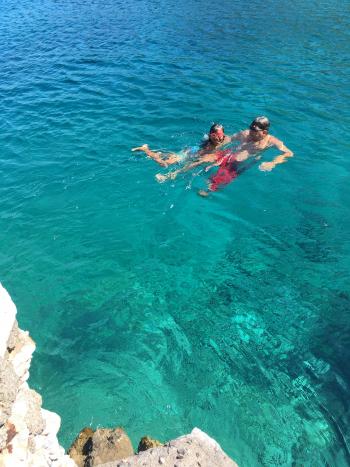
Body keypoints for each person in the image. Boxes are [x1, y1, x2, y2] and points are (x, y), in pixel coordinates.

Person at [156, 116, 293, 195]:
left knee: (216, 181)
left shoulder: (271, 141)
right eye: (251, 128)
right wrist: (213, 142)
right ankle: (173, 174)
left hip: (237, 164)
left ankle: (208, 190)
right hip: (227, 154)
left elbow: (289, 153)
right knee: (200, 160)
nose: (251, 132)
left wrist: (273, 163)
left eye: (255, 130)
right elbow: (230, 139)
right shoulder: (246, 134)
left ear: (264, 131)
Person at [131, 123, 231, 168]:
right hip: (189, 152)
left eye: (221, 135)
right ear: (210, 135)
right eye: (215, 136)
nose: (218, 138)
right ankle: (145, 149)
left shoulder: (224, 139)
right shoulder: (209, 144)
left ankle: (155, 152)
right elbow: (198, 157)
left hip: (192, 151)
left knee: (165, 158)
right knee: (164, 164)